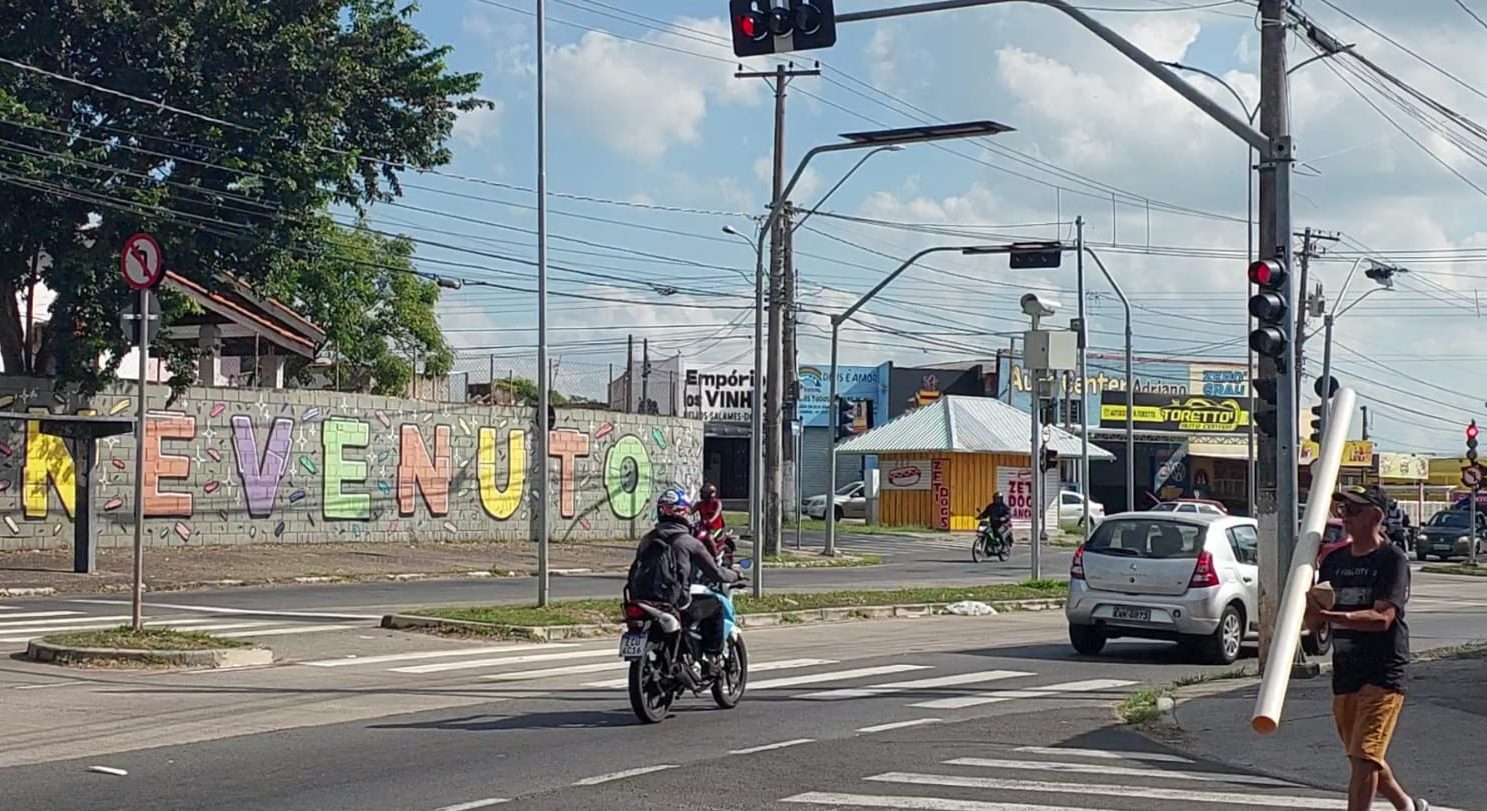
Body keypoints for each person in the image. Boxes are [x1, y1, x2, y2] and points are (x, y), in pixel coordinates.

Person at [1306, 484, 1427, 811]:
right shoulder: (1334, 561)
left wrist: (1331, 617)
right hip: (1346, 672)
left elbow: (1382, 618)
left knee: (1364, 756)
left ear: (1375, 516)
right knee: (1363, 755)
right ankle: (1407, 805)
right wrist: (1307, 613)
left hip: (1383, 672)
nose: (1345, 516)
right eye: (1342, 509)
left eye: (1353, 510)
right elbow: (1316, 618)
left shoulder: (1391, 559)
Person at [630, 488, 739, 673]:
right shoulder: (689, 542)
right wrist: (735, 575)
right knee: (716, 607)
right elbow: (716, 573)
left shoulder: (647, 539)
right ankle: (712, 657)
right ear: (683, 513)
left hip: (642, 599)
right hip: (676, 602)